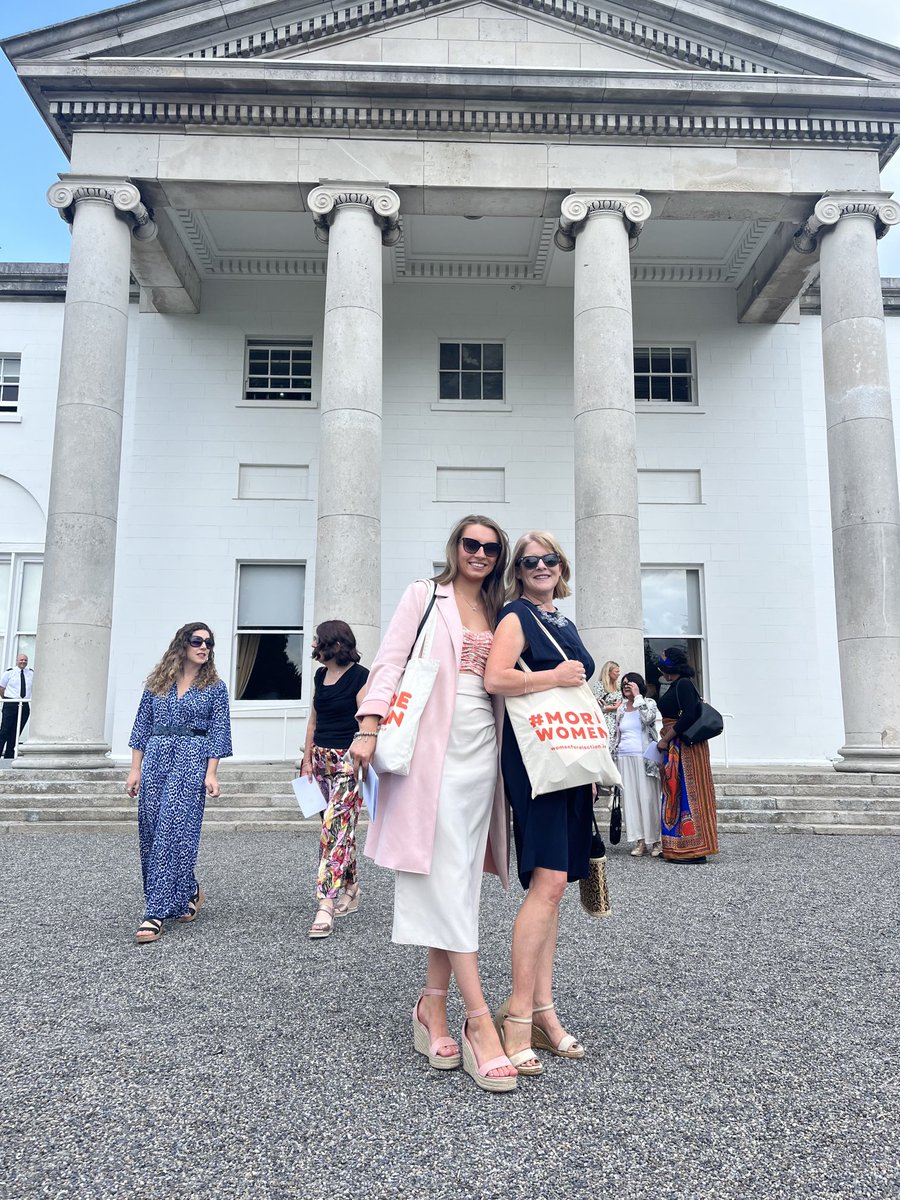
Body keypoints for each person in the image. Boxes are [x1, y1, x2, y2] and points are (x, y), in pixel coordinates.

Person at [350, 515, 517, 1093]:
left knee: (459, 880)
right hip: (430, 754)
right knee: (446, 876)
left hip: (482, 758)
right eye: (471, 544)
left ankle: (432, 1006)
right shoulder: (425, 595)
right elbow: (389, 662)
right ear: (455, 546)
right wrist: (367, 729)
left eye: (491, 548)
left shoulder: (503, 610)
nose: (479, 554)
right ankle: (478, 1022)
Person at [484, 531, 593, 1076]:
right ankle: (518, 1017)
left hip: (569, 760)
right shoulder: (515, 617)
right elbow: (495, 677)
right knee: (546, 884)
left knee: (554, 889)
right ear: (519, 571)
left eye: (549, 559)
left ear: (561, 564)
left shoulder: (563, 622)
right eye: (530, 562)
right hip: (535, 763)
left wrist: (589, 764)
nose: (541, 567)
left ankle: (544, 1012)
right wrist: (551, 674)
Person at [126, 623, 233, 943]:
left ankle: (154, 912)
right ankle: (188, 889)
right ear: (182, 644)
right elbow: (141, 726)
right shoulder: (158, 684)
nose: (204, 647)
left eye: (209, 643)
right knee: (151, 830)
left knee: (173, 829)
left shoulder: (216, 687)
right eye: (197, 641)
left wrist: (211, 773)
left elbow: (219, 732)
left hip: (191, 759)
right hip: (157, 757)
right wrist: (135, 770)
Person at [301, 620, 369, 939]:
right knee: (341, 831)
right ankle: (351, 889)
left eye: (317, 640)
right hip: (320, 760)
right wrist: (306, 762)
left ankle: (325, 903)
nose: (313, 644)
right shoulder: (319, 676)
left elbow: (367, 724)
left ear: (332, 643)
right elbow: (314, 719)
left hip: (348, 762)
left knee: (334, 829)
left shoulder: (361, 676)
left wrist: (354, 762)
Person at [655, 647, 719, 863]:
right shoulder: (677, 684)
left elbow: (689, 715)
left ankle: (693, 848)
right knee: (675, 790)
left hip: (684, 746)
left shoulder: (683, 684)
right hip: (677, 744)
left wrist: (666, 738)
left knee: (685, 792)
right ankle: (678, 846)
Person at [611, 672, 662, 858]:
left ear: (638, 684)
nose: (625, 686)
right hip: (624, 757)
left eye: (629, 683)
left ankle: (655, 841)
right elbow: (616, 734)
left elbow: (649, 719)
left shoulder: (648, 703)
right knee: (631, 800)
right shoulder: (621, 708)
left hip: (644, 759)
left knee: (649, 799)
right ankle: (640, 841)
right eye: (623, 683)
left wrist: (638, 696)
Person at [0, 653, 33, 759]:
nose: (23, 662)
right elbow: (1, 687)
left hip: (24, 705)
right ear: (17, 661)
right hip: (11, 704)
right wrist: (6, 699)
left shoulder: (31, 673)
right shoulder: (9, 673)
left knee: (16, 733)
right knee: (5, 731)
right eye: (21, 660)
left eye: (25, 660)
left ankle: (9, 757)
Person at [593, 660, 622, 738]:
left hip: (618, 719)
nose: (618, 674)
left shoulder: (618, 686)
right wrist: (613, 708)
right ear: (608, 672)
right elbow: (595, 707)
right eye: (616, 672)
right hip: (605, 721)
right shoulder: (599, 685)